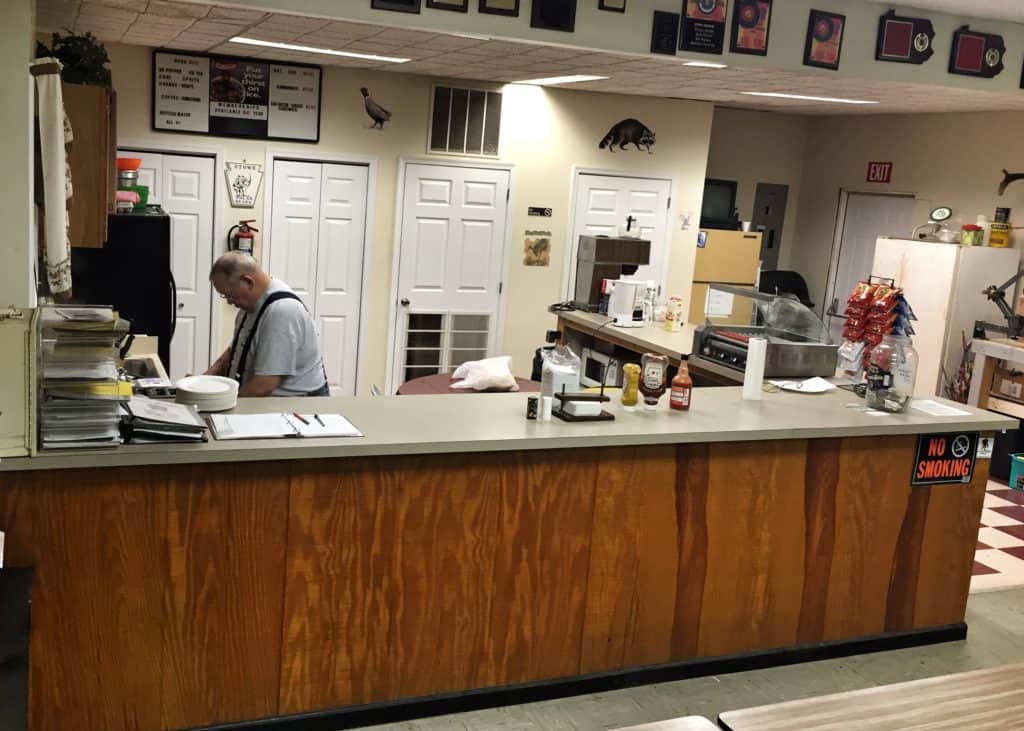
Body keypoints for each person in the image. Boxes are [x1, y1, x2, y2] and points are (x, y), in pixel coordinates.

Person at [205, 251, 329, 397]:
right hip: (268, 401)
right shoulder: (251, 305)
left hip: (297, 407)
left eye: (230, 295)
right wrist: (202, 381)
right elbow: (235, 349)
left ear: (248, 282)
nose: (229, 302)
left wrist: (224, 404)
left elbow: (264, 385)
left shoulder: (282, 312)